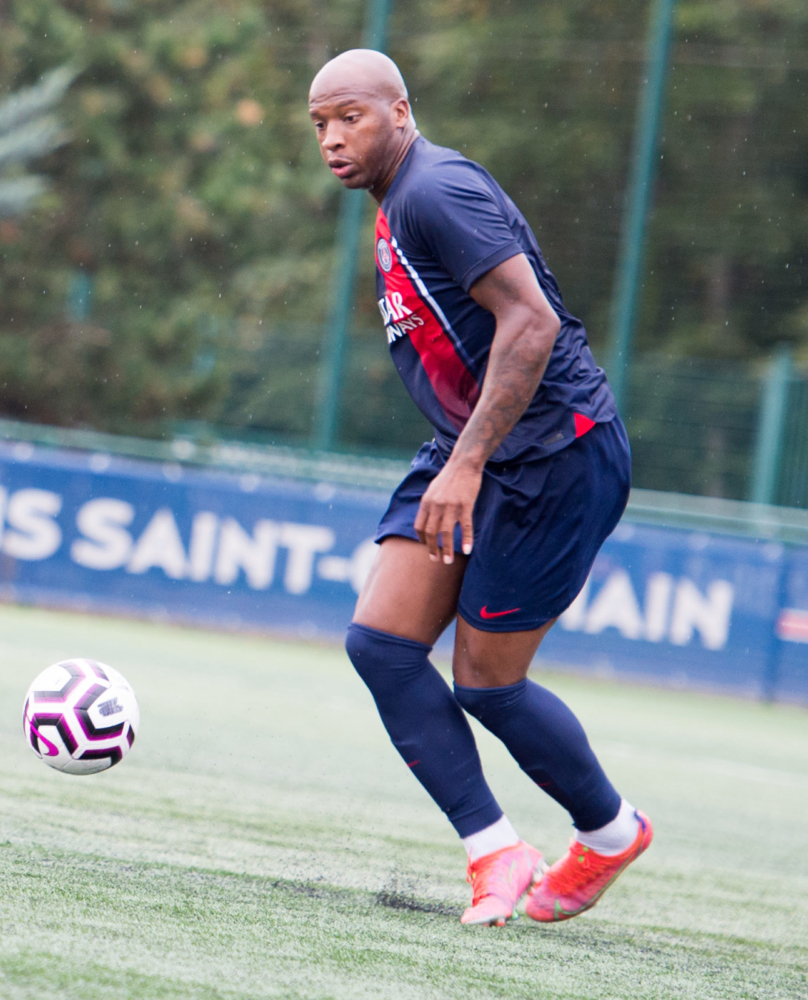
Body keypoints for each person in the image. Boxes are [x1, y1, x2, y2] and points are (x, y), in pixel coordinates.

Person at [308, 50, 651, 926]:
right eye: (320, 125)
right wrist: (460, 455)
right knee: (382, 645)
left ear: (400, 111)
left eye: (351, 116)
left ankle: (611, 833)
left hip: (555, 455)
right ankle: (496, 851)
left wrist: (464, 465)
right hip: (475, 446)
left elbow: (532, 321)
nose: (333, 138)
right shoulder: (397, 200)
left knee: (489, 685)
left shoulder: (434, 191)